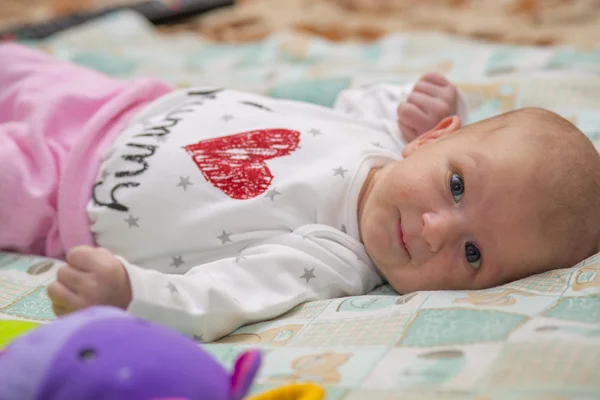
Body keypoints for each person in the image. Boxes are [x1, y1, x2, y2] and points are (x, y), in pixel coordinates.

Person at [1, 43, 599, 341]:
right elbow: (382, 100)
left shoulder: (331, 257)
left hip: (53, 191)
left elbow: (222, 295)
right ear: (432, 141)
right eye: (457, 186)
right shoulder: (385, 137)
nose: (437, 229)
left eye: (472, 255)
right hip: (116, 100)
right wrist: (438, 107)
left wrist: (132, 295)